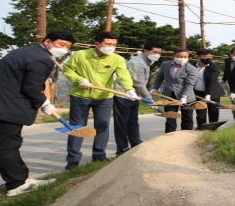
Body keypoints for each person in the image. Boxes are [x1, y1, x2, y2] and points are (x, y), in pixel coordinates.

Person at [0, 31, 75, 197]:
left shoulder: (23, 51)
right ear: (47, 41)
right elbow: (30, 87)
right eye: (61, 44)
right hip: (4, 108)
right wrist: (45, 104)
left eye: (68, 47)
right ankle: (17, 184)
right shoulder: (42, 59)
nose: (64, 49)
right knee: (7, 145)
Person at [62, 31, 136, 170]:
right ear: (96, 44)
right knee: (77, 128)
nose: (111, 47)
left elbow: (123, 75)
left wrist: (128, 89)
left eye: (114, 45)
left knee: (102, 126)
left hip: (104, 98)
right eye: (108, 44)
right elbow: (67, 70)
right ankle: (73, 160)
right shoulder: (80, 55)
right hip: (80, 96)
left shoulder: (117, 59)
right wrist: (80, 80)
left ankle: (99, 155)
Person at [113, 42, 163, 155]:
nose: (157, 55)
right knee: (122, 123)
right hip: (123, 95)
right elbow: (139, 84)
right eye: (155, 52)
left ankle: (136, 144)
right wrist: (150, 99)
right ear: (146, 51)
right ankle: (122, 148)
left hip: (134, 96)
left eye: (159, 53)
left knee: (133, 122)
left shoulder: (147, 61)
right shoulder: (137, 63)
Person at [151, 48, 198, 133]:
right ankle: (170, 136)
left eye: (185, 56)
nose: (182, 58)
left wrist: (184, 97)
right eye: (180, 56)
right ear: (174, 56)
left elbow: (189, 84)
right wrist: (155, 88)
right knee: (170, 117)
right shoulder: (165, 64)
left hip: (186, 96)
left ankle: (186, 135)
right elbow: (160, 77)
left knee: (187, 117)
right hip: (169, 95)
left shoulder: (191, 69)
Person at [191, 48, 226, 125]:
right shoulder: (192, 66)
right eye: (204, 56)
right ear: (198, 57)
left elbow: (211, 80)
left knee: (213, 113)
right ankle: (201, 130)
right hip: (198, 94)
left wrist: (208, 94)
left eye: (210, 57)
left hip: (213, 93)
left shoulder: (213, 66)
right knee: (200, 114)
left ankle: (213, 130)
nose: (208, 58)